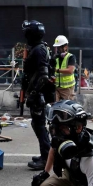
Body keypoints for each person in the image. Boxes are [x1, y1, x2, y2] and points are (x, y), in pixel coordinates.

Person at [21, 20, 55, 171]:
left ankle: (46, 157)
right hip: (37, 93)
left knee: (40, 126)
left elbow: (43, 76)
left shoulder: (39, 50)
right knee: (38, 125)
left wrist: (33, 94)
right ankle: (45, 155)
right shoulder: (37, 48)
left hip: (38, 95)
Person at [53, 35, 76, 101]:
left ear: (65, 47)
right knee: (54, 106)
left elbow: (70, 70)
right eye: (57, 47)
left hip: (67, 88)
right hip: (56, 87)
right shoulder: (56, 57)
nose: (58, 49)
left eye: (60, 47)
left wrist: (56, 70)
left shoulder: (71, 57)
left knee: (66, 108)